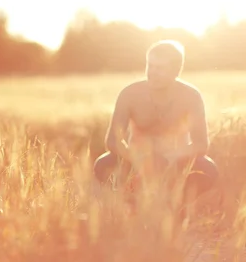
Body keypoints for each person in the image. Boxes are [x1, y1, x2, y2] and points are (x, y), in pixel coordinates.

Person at [93, 40, 219, 204]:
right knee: (103, 165)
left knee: (208, 169)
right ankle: (130, 201)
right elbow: (112, 141)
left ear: (176, 70)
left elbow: (201, 144)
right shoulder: (130, 94)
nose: (152, 72)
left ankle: (178, 204)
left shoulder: (191, 96)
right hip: (135, 159)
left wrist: (173, 156)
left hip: (175, 160)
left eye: (160, 68)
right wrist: (136, 157)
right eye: (150, 66)